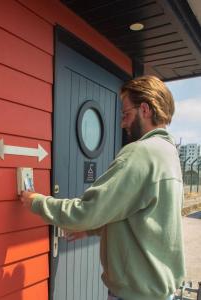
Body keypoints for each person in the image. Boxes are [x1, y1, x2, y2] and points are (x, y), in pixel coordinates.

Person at [19, 75, 185, 300]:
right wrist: (91, 230)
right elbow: (143, 217)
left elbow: (87, 212)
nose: (122, 123)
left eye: (126, 114)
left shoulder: (141, 153)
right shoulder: (169, 154)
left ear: (145, 109)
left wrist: (36, 201)